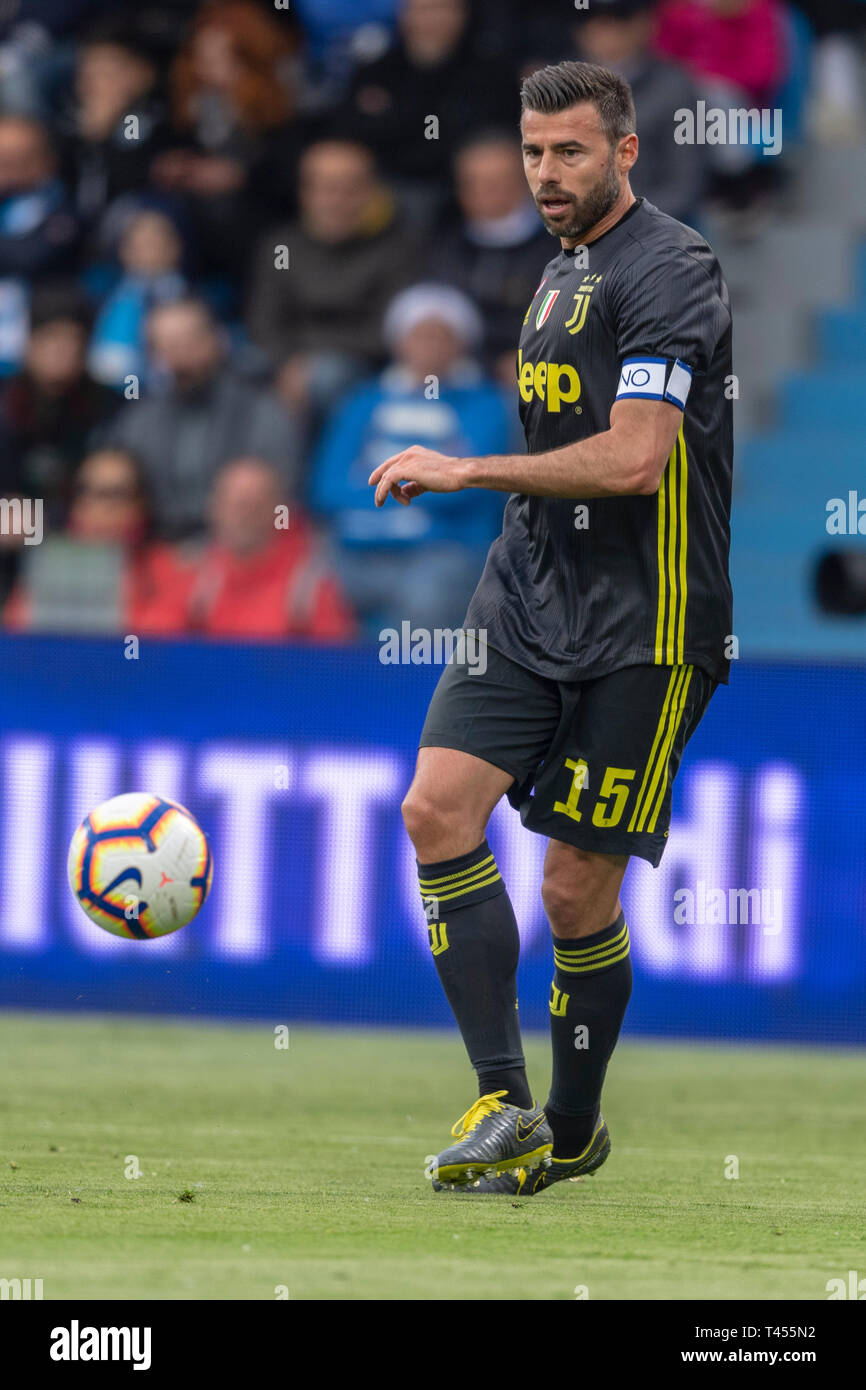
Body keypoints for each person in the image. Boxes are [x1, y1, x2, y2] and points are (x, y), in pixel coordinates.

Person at [369, 60, 733, 1195]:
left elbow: (635, 459)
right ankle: (501, 1101)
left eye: (568, 151)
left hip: (648, 618)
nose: (544, 173)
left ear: (625, 152)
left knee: (576, 887)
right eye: (532, 152)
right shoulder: (558, 269)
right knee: (433, 808)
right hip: (526, 595)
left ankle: (570, 1132)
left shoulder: (671, 267)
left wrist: (467, 464)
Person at [310, 283, 509, 634]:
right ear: (399, 341)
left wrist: (379, 495)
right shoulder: (363, 401)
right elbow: (327, 487)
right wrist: (407, 500)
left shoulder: (487, 404)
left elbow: (472, 487)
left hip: (444, 548)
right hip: (354, 544)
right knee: (310, 589)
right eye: (419, 335)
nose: (429, 346)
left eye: (441, 336)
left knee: (426, 599)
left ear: (462, 343)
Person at [245, 138, 423, 448]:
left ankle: (316, 482)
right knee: (239, 365)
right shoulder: (282, 246)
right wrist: (289, 362)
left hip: (361, 366)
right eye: (325, 188)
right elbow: (264, 320)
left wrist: (307, 364)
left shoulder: (398, 248)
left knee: (325, 377)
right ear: (305, 193)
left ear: (370, 192)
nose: (337, 200)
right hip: (286, 360)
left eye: (350, 189)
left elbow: (389, 330)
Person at [106, 297, 299, 539]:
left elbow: (283, 495)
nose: (180, 357)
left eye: (190, 341)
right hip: (159, 549)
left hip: (240, 551)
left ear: (219, 340)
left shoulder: (263, 412)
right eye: (167, 345)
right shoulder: (138, 421)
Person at [3, 446, 190, 635]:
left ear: (141, 505)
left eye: (113, 494)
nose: (96, 506)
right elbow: (18, 637)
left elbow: (158, 643)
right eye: (84, 491)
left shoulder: (168, 568)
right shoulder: (48, 563)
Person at [179, 457, 355, 640]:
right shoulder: (191, 580)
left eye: (255, 505)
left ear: (278, 511)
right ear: (213, 509)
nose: (244, 517)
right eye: (236, 505)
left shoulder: (310, 587)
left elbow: (333, 661)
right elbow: (161, 649)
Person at [429, 131, 554, 384]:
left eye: (501, 181)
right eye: (476, 183)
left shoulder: (558, 246)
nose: (490, 193)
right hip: (453, 371)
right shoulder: (445, 246)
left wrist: (528, 357)